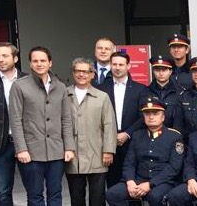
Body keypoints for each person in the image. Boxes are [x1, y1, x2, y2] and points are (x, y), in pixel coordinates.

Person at [9, 46, 75, 206]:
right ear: (30, 64)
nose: (39, 64)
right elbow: (15, 120)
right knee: (35, 195)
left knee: (55, 193)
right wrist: (21, 149)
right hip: (31, 151)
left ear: (50, 63)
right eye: (35, 61)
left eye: (43, 60)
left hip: (56, 151)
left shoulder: (60, 87)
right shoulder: (19, 86)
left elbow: (66, 118)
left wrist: (69, 147)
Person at [105, 97, 185, 206]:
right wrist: (130, 181)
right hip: (138, 180)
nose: (151, 117)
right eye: (147, 114)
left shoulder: (174, 137)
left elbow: (174, 167)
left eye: (155, 114)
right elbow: (129, 163)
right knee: (112, 194)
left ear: (163, 117)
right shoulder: (137, 135)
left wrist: (150, 184)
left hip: (162, 182)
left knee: (155, 197)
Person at [65, 58, 117, 206]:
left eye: (86, 71)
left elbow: (109, 125)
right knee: (76, 198)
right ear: (73, 73)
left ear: (93, 74)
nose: (81, 74)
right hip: (73, 156)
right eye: (78, 71)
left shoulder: (102, 97)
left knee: (97, 198)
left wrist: (108, 150)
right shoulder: (64, 95)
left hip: (97, 154)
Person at [98, 51, 149, 187]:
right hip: (108, 143)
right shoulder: (101, 89)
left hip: (132, 141)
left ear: (128, 66)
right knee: (112, 184)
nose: (117, 67)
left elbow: (143, 116)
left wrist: (127, 133)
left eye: (121, 64)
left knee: (133, 183)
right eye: (114, 64)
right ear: (110, 65)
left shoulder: (141, 89)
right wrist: (111, 135)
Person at [0, 42, 27, 206]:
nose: (0, 59)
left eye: (5, 56)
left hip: (27, 143)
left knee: (34, 189)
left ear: (15, 58)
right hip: (0, 144)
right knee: (3, 191)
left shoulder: (28, 80)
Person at [147, 54, 184, 131]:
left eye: (164, 70)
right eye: (157, 70)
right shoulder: (145, 92)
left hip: (173, 134)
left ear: (170, 71)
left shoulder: (180, 92)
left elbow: (180, 120)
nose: (161, 73)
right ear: (153, 71)